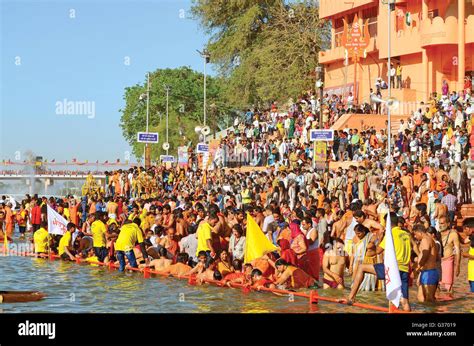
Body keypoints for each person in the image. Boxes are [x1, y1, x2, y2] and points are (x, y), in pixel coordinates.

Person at [346, 213, 411, 311]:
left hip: (392, 269)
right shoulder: (406, 234)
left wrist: (370, 250)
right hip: (405, 270)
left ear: (386, 222)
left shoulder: (390, 234)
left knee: (361, 267)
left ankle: (351, 297)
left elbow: (377, 251)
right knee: (404, 301)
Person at [413, 224, 439, 302]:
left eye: (415, 234)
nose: (415, 236)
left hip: (429, 272)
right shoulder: (426, 240)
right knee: (421, 298)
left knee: (429, 299)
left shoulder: (426, 240)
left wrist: (417, 268)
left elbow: (425, 255)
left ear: (420, 232)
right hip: (426, 271)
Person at [439, 216, 461, 295]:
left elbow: (458, 251)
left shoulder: (453, 234)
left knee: (448, 287)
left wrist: (458, 265)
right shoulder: (437, 234)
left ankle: (448, 304)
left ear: (448, 224)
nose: (440, 225)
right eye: (439, 223)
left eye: (442, 223)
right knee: (438, 286)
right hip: (438, 262)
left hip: (448, 261)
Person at [461, 218, 474, 293]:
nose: (464, 231)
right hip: (471, 274)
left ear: (471, 229)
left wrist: (467, 255)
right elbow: (463, 241)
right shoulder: (471, 237)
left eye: (465, 229)